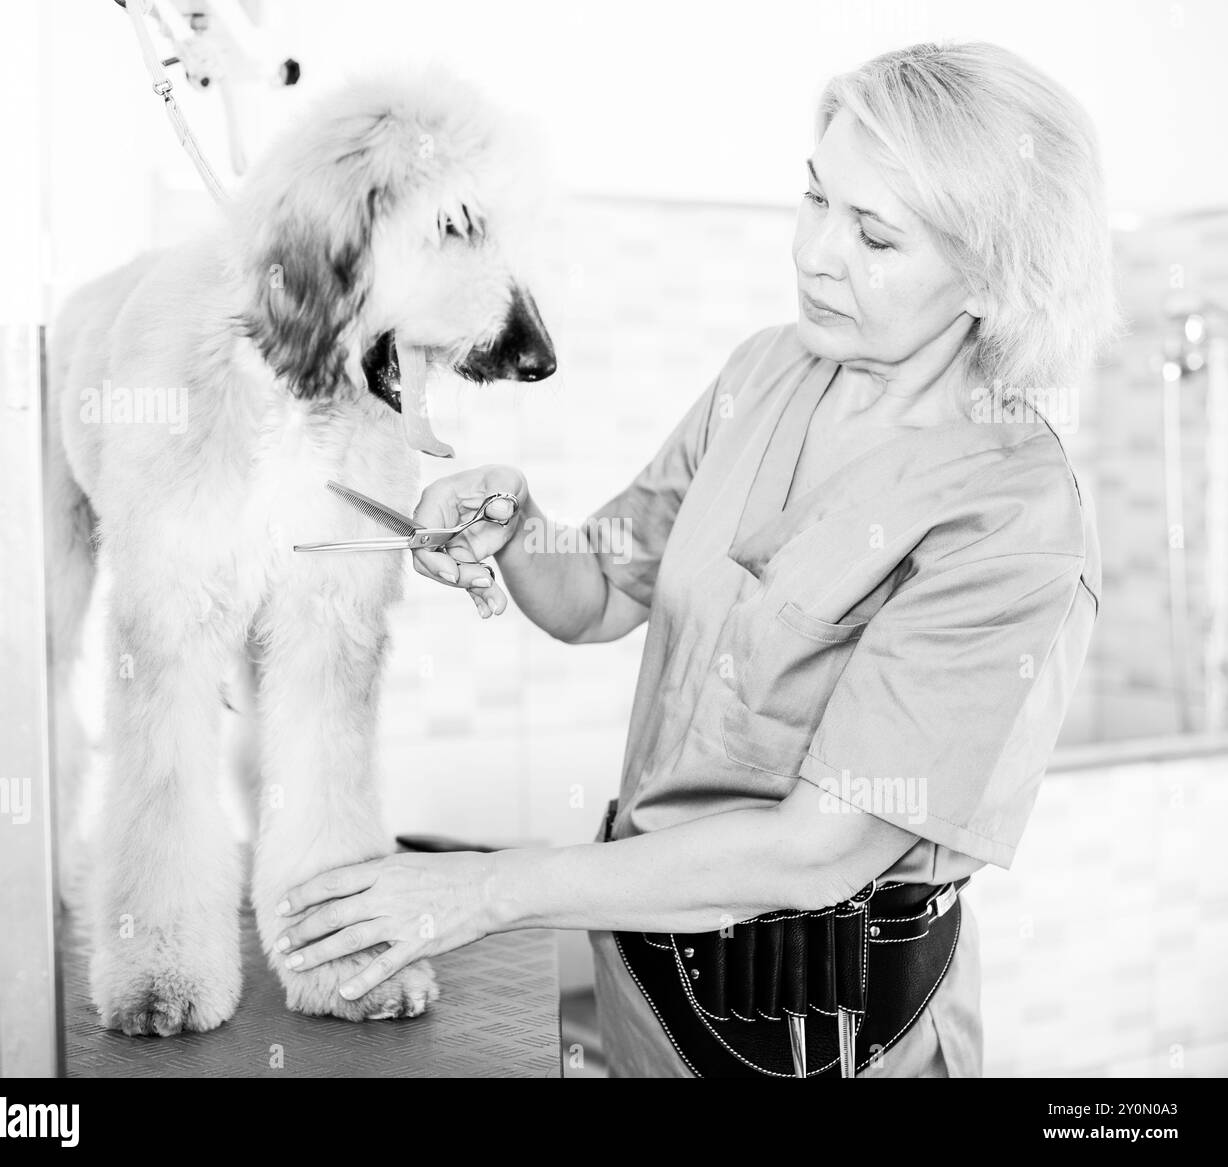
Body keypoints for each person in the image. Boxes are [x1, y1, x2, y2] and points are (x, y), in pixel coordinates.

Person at [270, 41, 1118, 1077]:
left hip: (828, 1030)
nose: (815, 253)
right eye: (815, 199)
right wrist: (518, 524)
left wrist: (483, 889)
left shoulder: (1008, 516)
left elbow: (816, 853)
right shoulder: (767, 372)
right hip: (644, 974)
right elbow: (598, 592)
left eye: (874, 236)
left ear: (992, 277)